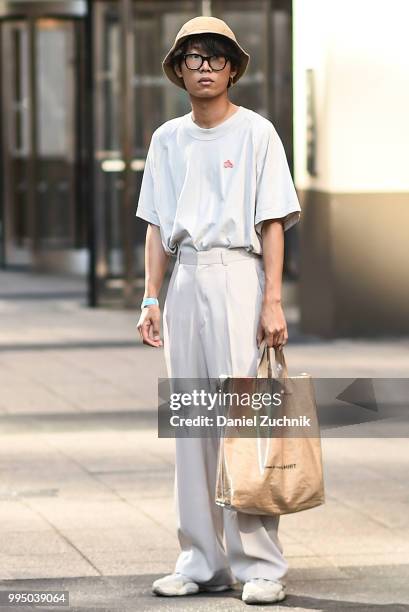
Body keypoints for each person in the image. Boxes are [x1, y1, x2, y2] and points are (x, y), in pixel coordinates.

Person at [135, 15, 301, 606]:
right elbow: (156, 226)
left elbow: (273, 223)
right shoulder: (166, 139)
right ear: (179, 69)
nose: (204, 67)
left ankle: (259, 565)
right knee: (191, 425)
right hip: (185, 280)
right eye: (193, 58)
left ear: (232, 67)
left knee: (245, 422)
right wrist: (151, 297)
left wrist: (273, 300)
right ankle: (201, 561)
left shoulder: (257, 132)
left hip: (239, 277)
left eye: (215, 57)